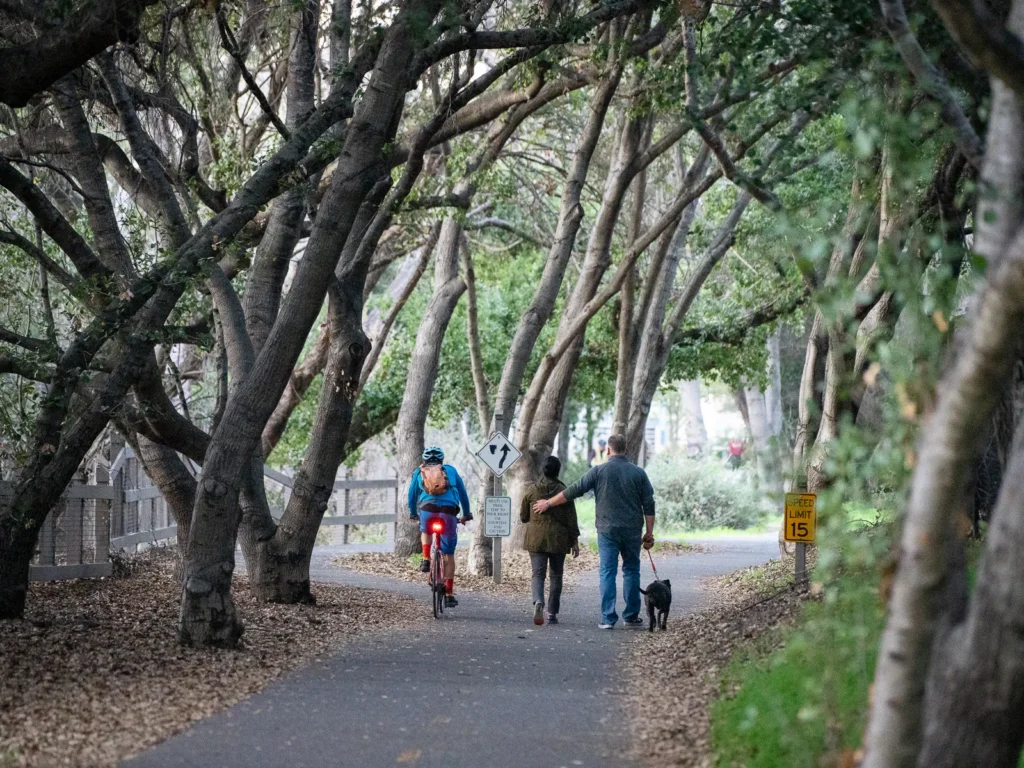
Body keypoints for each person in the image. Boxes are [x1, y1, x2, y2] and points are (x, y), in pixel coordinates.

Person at [533, 434, 655, 629]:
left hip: (607, 531)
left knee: (607, 571)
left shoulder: (598, 471)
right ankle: (631, 616)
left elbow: (573, 491)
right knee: (631, 570)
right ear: (627, 450)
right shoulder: (639, 473)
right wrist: (649, 533)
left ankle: (608, 618)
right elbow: (649, 504)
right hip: (632, 529)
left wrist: (548, 503)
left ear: (608, 450)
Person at [408, 446, 473, 608]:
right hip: (448, 511)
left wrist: (412, 512)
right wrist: (466, 514)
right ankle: (449, 594)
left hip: (427, 510)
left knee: (426, 530)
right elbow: (463, 494)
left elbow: (411, 494)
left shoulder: (419, 471)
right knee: (448, 554)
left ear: (425, 460)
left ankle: (425, 559)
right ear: (442, 461)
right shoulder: (450, 470)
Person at [520, 456, 581, 626]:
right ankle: (552, 613)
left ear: (543, 470)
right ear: (558, 471)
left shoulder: (532, 490)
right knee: (556, 576)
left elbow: (523, 517)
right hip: (558, 540)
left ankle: (538, 601)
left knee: (538, 574)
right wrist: (574, 541)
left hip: (536, 539)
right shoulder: (564, 491)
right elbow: (571, 519)